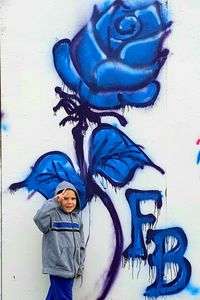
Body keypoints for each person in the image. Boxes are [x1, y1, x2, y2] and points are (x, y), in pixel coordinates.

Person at [33, 181, 85, 300]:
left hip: (72, 269)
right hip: (59, 268)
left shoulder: (77, 220)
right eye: (65, 198)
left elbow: (81, 245)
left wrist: (80, 267)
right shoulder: (52, 217)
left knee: (54, 296)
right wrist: (54, 202)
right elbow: (38, 218)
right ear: (59, 198)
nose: (70, 202)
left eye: (73, 198)